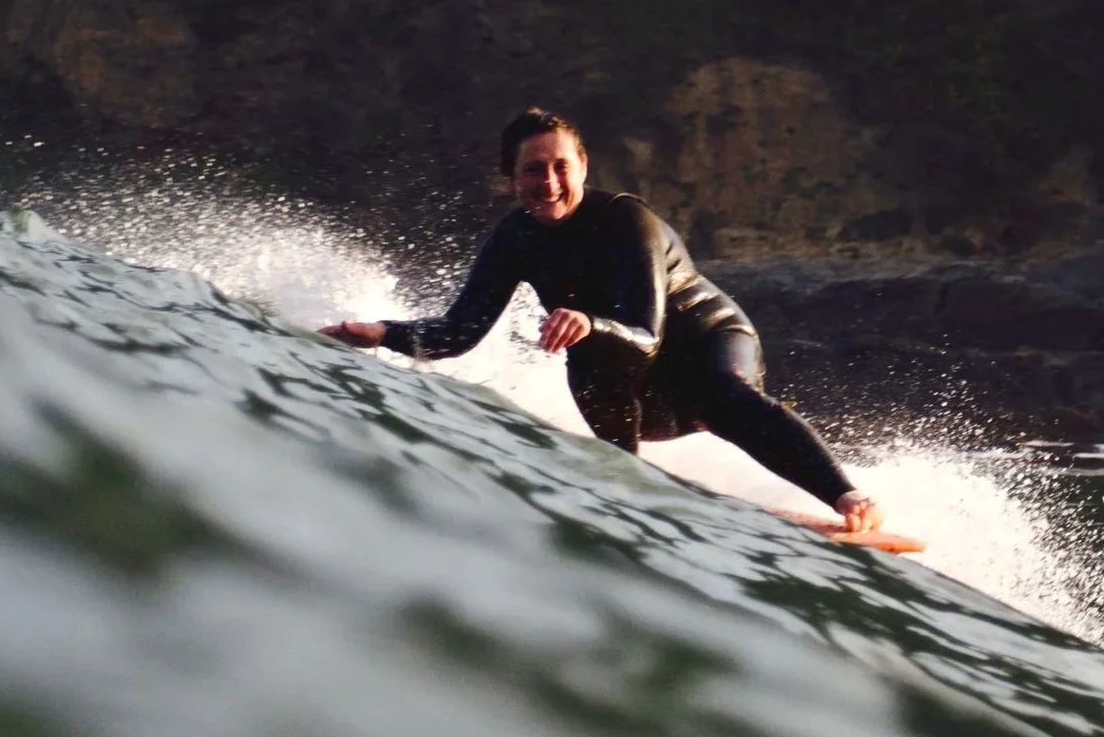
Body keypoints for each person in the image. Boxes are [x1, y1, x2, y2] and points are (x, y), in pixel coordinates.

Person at [322, 107, 885, 532]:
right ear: (510, 178)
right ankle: (628, 491)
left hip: (707, 344)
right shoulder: (513, 239)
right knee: (585, 359)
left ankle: (845, 497)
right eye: (532, 170)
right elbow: (458, 333)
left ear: (583, 167)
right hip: (643, 391)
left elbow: (644, 336)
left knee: (718, 394)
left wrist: (589, 323)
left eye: (560, 167)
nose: (549, 182)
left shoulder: (625, 220)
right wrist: (380, 334)